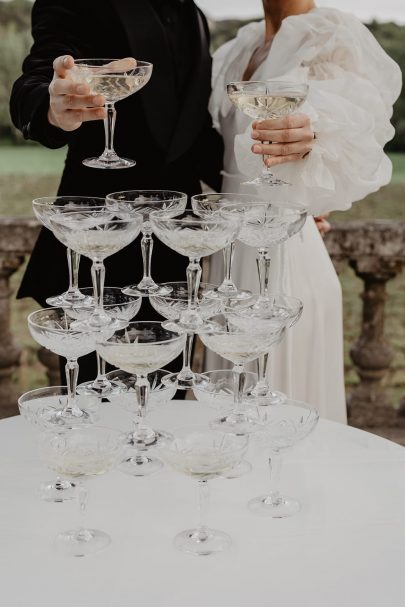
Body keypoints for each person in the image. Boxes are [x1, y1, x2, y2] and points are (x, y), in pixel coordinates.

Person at [207, 1, 402, 422]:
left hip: (283, 253)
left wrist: (312, 142)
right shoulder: (238, 47)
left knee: (278, 410)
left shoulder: (329, 36)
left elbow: (354, 132)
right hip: (227, 255)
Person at [10, 0, 223, 382]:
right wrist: (52, 108)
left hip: (176, 260)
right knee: (96, 401)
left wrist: (286, 193)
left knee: (168, 399)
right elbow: (40, 77)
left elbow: (196, 137)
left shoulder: (194, 14)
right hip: (100, 255)